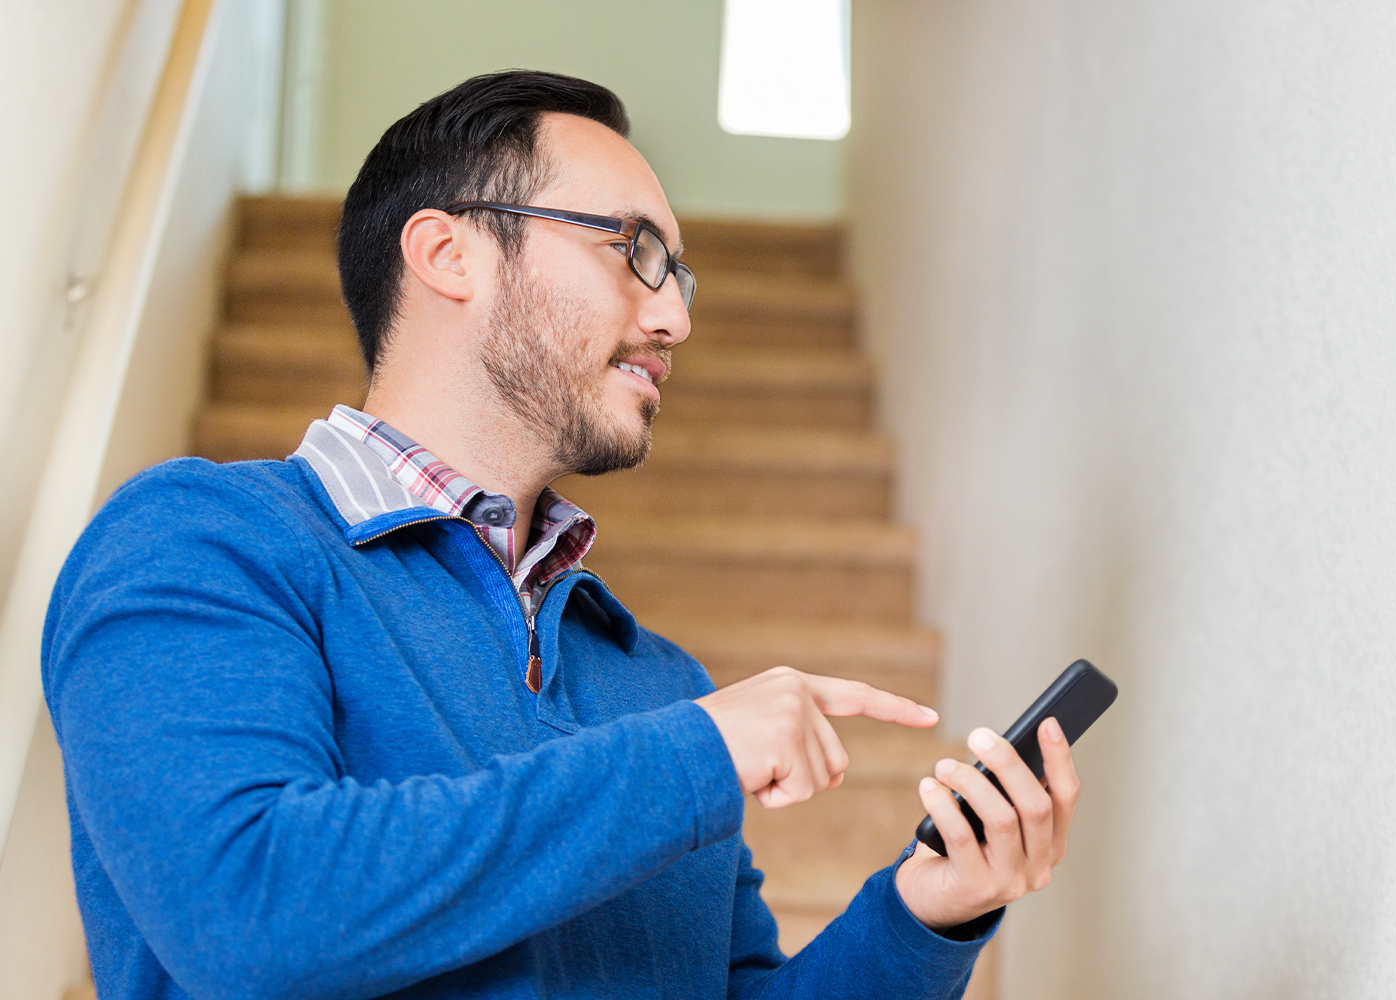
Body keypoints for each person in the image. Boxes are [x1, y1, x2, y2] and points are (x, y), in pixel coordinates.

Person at [43, 70, 1082, 1000]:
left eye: (676, 272)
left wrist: (922, 915)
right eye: (635, 251)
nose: (673, 316)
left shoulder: (660, 684)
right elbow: (249, 908)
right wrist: (696, 755)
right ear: (449, 252)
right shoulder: (202, 541)